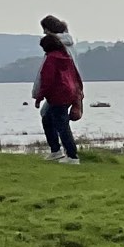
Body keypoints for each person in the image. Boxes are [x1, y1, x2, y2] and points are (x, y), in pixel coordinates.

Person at [34, 32, 85, 164]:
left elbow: (47, 80)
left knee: (62, 125)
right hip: (69, 92)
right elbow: (76, 76)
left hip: (58, 95)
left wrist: (39, 97)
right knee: (48, 119)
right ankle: (56, 150)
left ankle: (72, 156)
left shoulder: (51, 59)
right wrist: (78, 94)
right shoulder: (66, 57)